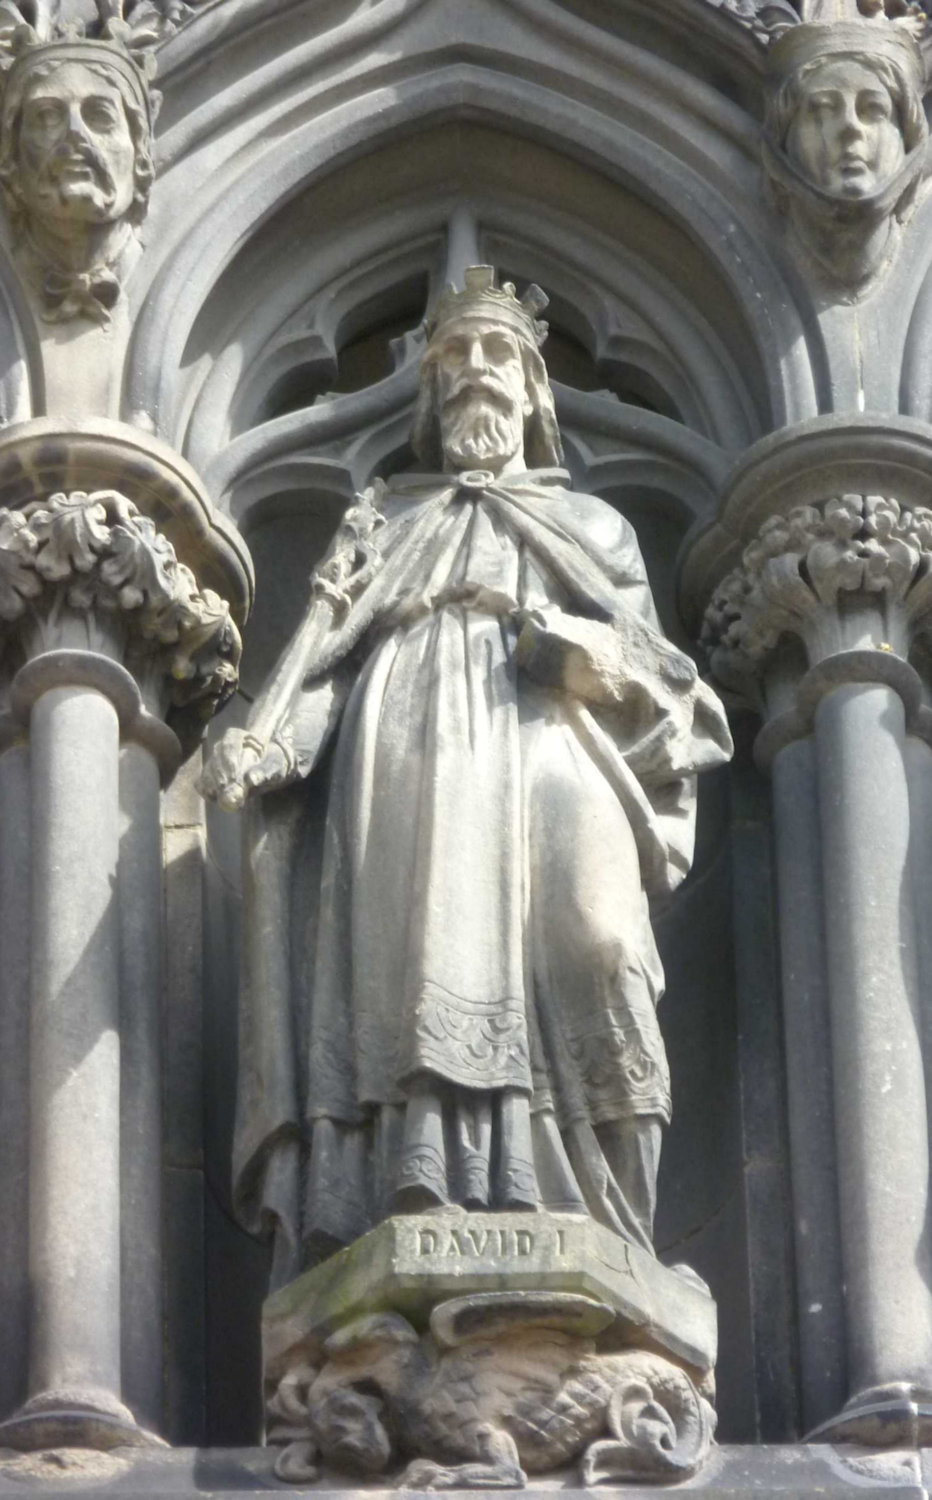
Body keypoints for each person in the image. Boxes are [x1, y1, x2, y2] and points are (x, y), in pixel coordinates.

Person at [202, 267, 732, 1289]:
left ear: (535, 392)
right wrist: (266, 750)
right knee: (414, 967)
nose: (477, 374)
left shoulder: (595, 532)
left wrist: (570, 646)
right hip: (404, 755)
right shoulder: (383, 527)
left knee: (602, 942)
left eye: (497, 356)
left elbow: (663, 687)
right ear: (430, 393)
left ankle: (604, 1218)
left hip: (549, 746)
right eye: (455, 359)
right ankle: (419, 1186)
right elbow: (323, 674)